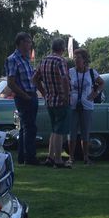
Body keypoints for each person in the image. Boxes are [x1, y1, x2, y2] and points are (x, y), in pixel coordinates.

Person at [33, 38, 71, 169]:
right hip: (60, 100)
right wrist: (66, 96)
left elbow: (35, 79)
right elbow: (65, 79)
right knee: (59, 130)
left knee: (54, 129)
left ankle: (50, 157)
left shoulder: (44, 60)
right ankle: (58, 160)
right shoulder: (60, 61)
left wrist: (43, 92)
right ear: (62, 48)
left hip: (49, 100)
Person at [5, 32, 40, 165]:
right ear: (21, 43)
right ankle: (30, 158)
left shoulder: (25, 59)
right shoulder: (13, 59)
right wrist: (25, 96)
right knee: (30, 128)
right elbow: (11, 82)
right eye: (28, 42)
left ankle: (23, 157)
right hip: (24, 97)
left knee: (26, 128)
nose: (30, 44)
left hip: (31, 95)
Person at [68, 48, 105, 165]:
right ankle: (71, 158)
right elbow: (65, 84)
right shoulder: (70, 72)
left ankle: (86, 157)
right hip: (73, 105)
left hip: (87, 105)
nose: (76, 60)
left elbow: (102, 83)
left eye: (78, 58)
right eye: (75, 58)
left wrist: (95, 93)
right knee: (72, 132)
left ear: (84, 60)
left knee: (85, 132)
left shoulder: (91, 72)